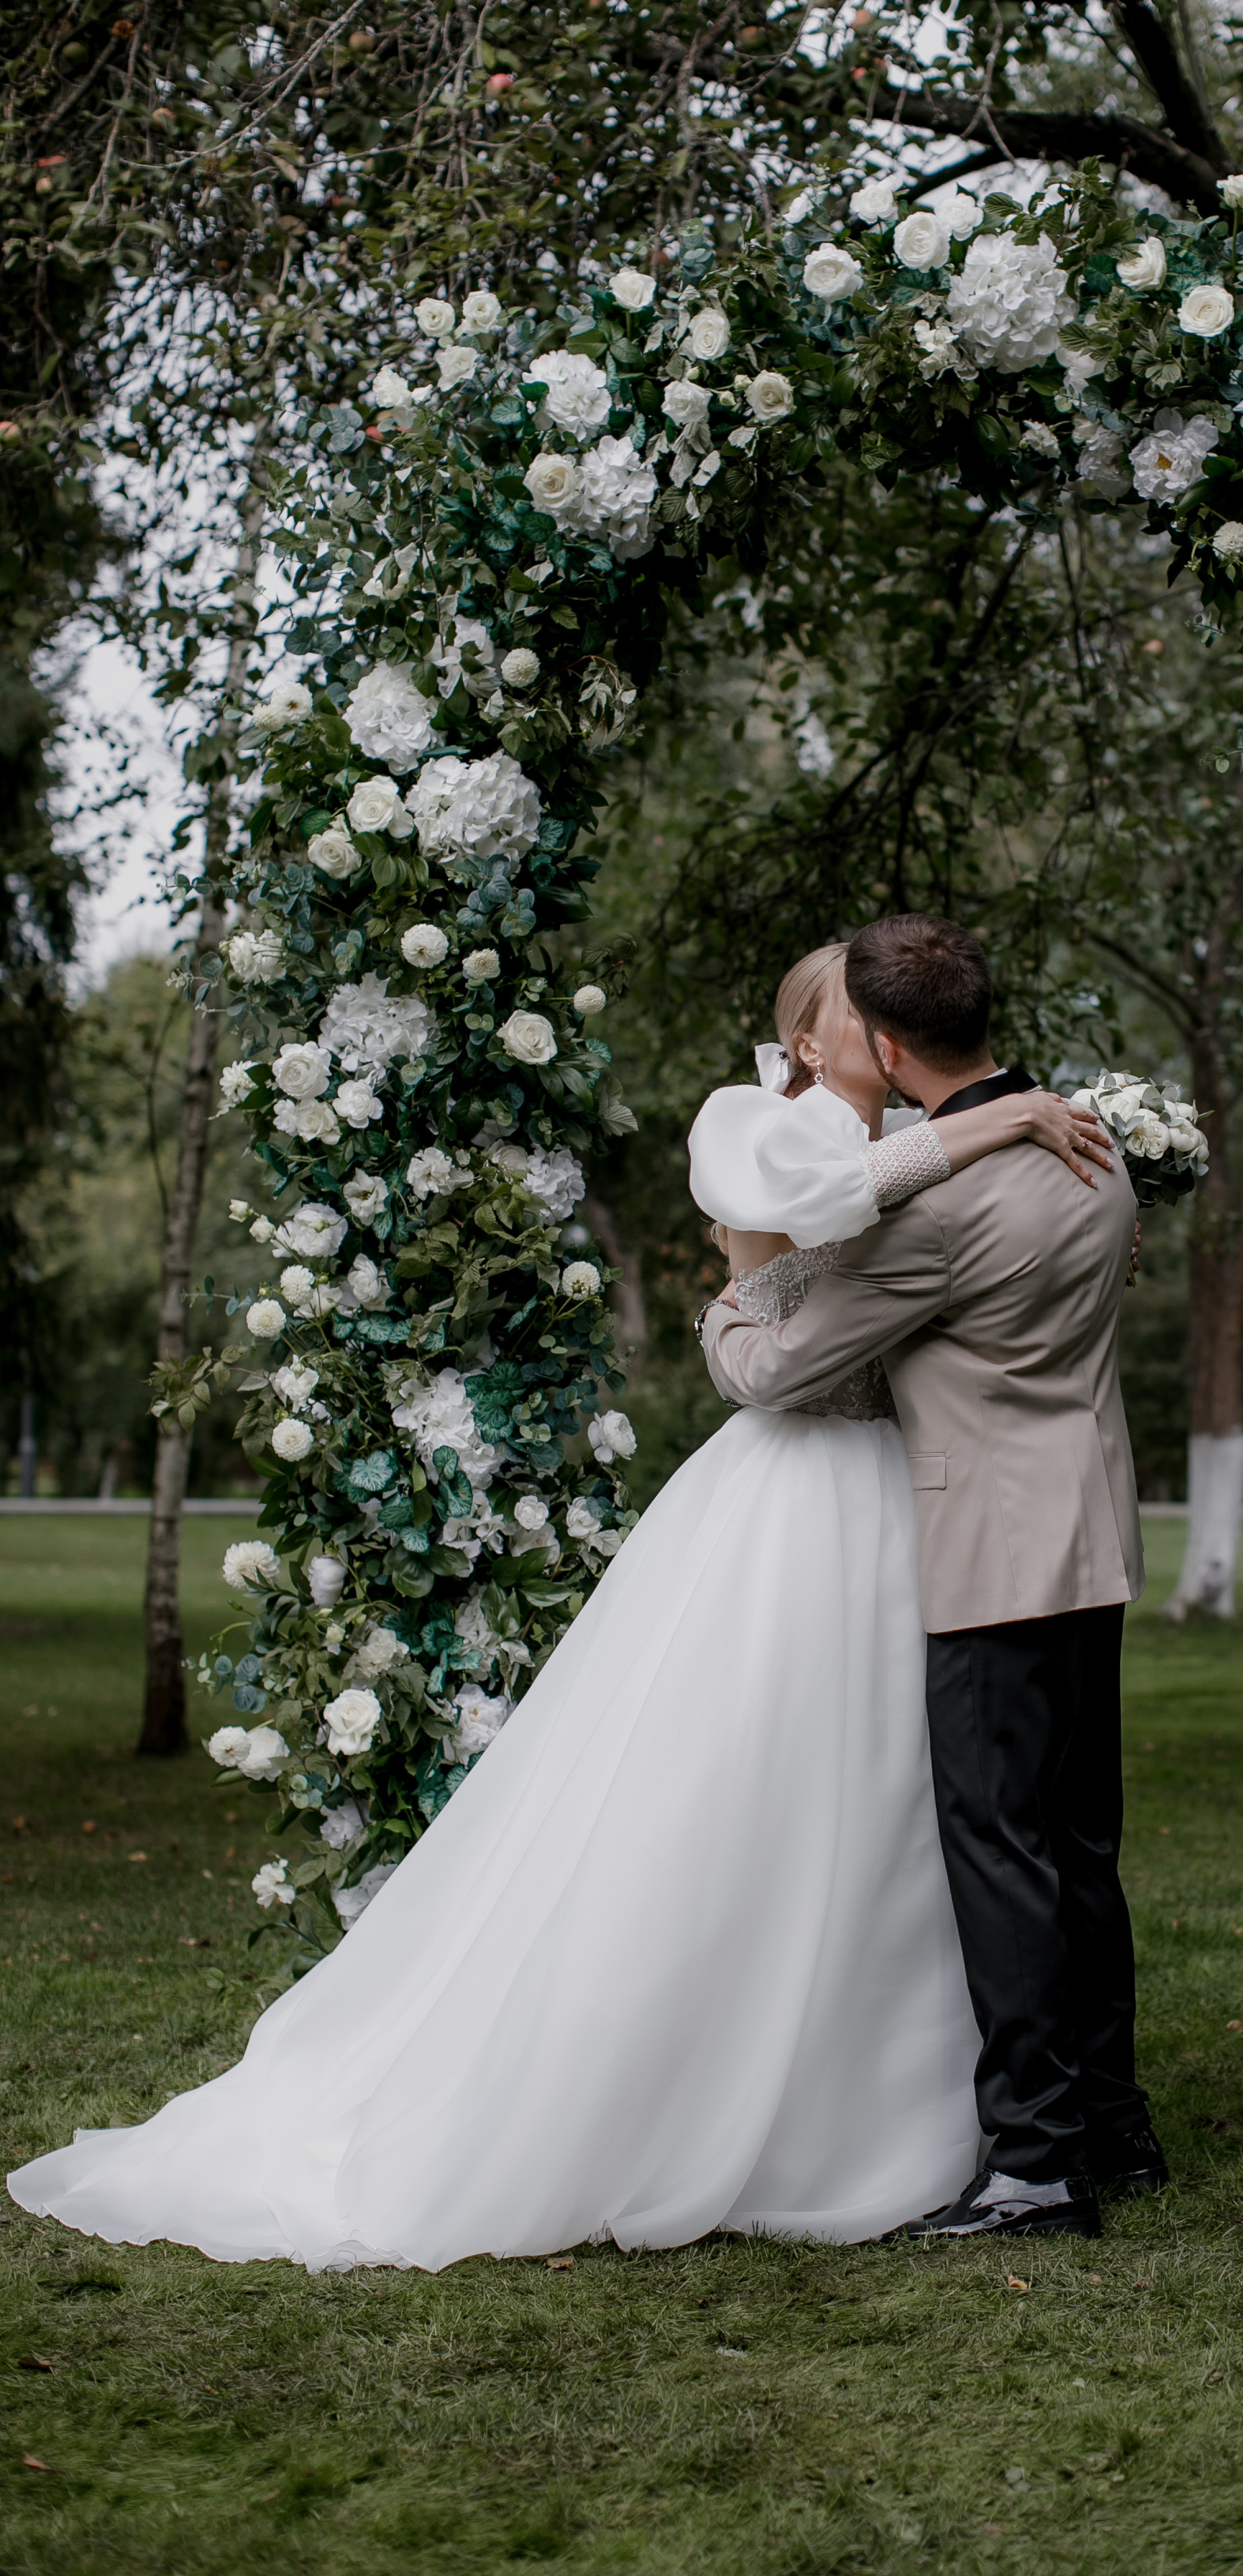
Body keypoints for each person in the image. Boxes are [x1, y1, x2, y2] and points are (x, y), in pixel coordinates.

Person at [7, 945, 1113, 2270]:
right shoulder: (759, 1122)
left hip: (916, 1518)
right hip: (813, 1495)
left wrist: (950, 1146)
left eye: (858, 1018)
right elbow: (784, 1293)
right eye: (820, 1018)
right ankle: (974, 2116)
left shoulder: (980, 1170)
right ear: (814, 1043)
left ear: (883, 1042)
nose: (849, 1042)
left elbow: (873, 1308)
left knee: (919, 1821)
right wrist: (970, 1130)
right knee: (779, 1796)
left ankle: (958, 2107)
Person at [702, 913, 1166, 2243]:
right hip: (1091, 1540)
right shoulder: (1094, 1143)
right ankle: (1111, 2125)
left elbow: (777, 1369)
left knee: (1003, 1851)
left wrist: (734, 1298)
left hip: (991, 1561)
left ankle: (1033, 2164)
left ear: (891, 1045)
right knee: (1079, 1848)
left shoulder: (944, 1209)